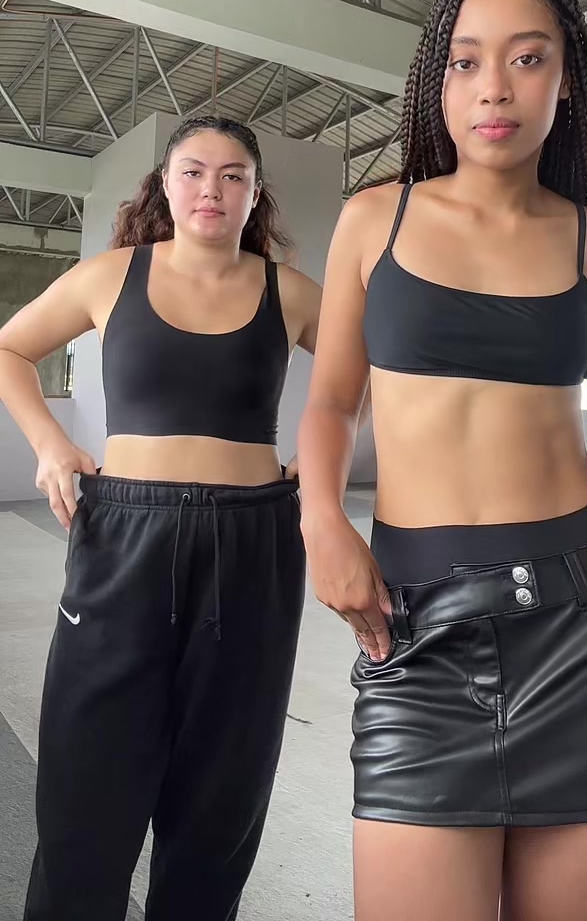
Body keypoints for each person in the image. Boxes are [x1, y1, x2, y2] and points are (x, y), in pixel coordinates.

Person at [297, 0, 587, 921]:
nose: (495, 89)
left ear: (568, 83)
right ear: (439, 83)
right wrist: (321, 521)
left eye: (528, 59)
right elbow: (333, 401)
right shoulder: (374, 219)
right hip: (417, 632)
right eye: (467, 62)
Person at [0, 115, 322, 921]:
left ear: (255, 194)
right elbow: (9, 349)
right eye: (193, 172)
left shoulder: (290, 292)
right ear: (165, 187)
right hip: (124, 538)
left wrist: (324, 455)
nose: (212, 188)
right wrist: (50, 444)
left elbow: (378, 373)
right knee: (87, 780)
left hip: (251, 543)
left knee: (223, 790)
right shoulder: (110, 277)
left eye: (233, 175)